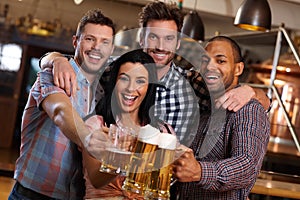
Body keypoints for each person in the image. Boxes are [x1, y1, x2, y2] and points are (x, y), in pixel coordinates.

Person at [39, 1, 270, 147]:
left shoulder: (192, 84)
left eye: (168, 38)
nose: (160, 46)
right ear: (141, 39)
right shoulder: (113, 69)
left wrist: (251, 91)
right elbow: (78, 64)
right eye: (153, 37)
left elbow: (261, 100)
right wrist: (55, 59)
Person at [9, 9, 115, 199]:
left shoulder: (104, 91)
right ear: (76, 42)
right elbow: (60, 112)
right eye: (90, 39)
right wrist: (94, 141)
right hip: (32, 194)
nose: (97, 47)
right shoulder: (52, 74)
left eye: (105, 42)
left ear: (111, 49)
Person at [171, 36, 271, 199]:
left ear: (238, 69)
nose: (210, 67)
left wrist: (199, 172)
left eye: (221, 61)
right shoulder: (202, 106)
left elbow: (246, 165)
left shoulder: (248, 109)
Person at [82, 49, 175, 199]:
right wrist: (129, 154)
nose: (131, 88)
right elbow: (96, 179)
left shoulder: (164, 131)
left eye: (140, 81)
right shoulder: (96, 124)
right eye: (124, 79)